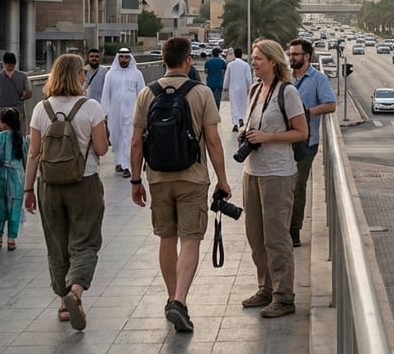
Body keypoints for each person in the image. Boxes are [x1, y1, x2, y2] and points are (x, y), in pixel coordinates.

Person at [130, 36, 232, 333]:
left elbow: (136, 142)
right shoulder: (201, 93)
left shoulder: (146, 94)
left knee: (166, 238)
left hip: (158, 177)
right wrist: (222, 180)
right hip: (192, 177)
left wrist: (136, 180)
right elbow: (212, 141)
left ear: (163, 60)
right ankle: (180, 300)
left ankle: (172, 299)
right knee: (190, 240)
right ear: (188, 60)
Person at [24, 54, 109, 331]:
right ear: (76, 76)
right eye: (82, 72)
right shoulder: (91, 107)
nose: (85, 75)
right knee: (85, 241)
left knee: (57, 243)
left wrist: (28, 189)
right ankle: (75, 292)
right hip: (84, 183)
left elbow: (33, 153)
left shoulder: (41, 109)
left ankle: (63, 303)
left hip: (48, 185)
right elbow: (101, 149)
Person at [239, 39, 309, 319]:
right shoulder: (255, 90)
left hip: (278, 174)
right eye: (253, 58)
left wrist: (268, 137)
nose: (253, 62)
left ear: (272, 61)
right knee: (255, 235)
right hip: (252, 171)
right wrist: (246, 134)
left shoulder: (287, 92)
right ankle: (265, 288)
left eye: (258, 58)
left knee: (276, 237)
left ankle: (283, 296)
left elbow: (301, 132)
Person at [286, 39, 337, 248]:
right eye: (290, 54)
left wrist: (307, 113)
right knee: (284, 186)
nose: (292, 58)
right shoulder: (286, 78)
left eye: (296, 55)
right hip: (284, 141)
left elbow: (331, 104)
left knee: (298, 185)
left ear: (307, 56)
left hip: (306, 143)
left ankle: (294, 230)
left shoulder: (318, 79)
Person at [0, 108, 28, 251]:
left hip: (0, 176)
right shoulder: (20, 138)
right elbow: (25, 158)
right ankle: (11, 239)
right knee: (14, 207)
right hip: (16, 178)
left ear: (3, 123)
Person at [101, 47, 142, 179]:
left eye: (126, 57)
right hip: (114, 113)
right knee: (116, 138)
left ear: (130, 58)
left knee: (128, 137)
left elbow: (141, 94)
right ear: (118, 58)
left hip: (132, 113)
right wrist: (104, 113)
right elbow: (106, 94)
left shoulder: (137, 74)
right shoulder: (111, 74)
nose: (124, 60)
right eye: (121, 57)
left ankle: (126, 166)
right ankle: (119, 162)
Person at [0, 52, 32, 128]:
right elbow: (29, 93)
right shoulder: (23, 76)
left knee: (2, 137)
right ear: (15, 63)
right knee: (18, 136)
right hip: (18, 111)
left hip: (2, 112)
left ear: (4, 63)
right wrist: (25, 95)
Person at [226, 47, 253, 132]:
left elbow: (227, 77)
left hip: (233, 88)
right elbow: (249, 78)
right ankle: (241, 119)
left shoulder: (230, 65)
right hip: (243, 88)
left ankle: (235, 124)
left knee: (234, 105)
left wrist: (225, 87)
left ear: (234, 54)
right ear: (241, 54)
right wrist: (250, 87)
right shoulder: (245, 65)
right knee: (242, 105)